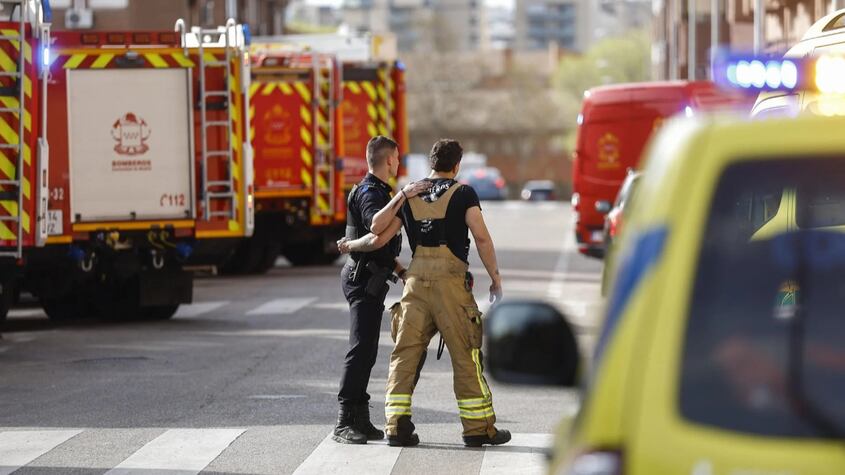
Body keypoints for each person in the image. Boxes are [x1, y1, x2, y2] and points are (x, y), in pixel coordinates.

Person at [338, 139, 510, 448]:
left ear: (431, 163)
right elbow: (482, 238)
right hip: (450, 287)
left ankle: (396, 426)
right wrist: (495, 279)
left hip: (415, 285)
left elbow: (378, 239)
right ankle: (477, 428)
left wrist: (350, 245)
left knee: (405, 355)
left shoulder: (411, 194)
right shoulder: (464, 193)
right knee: (466, 354)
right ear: (456, 166)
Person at [333, 136, 427, 445]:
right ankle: (344, 421)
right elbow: (375, 227)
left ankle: (360, 418)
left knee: (368, 351)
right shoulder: (369, 193)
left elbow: (382, 246)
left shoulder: (379, 191)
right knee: (360, 349)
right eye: (397, 158)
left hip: (371, 278)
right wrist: (402, 195)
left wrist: (401, 271)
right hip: (361, 279)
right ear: (388, 160)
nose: (398, 162)